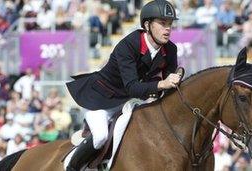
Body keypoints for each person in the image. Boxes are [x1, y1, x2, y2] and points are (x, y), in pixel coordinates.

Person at [66, 0, 180, 170]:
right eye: (163, 23)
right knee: (100, 137)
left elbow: (169, 84)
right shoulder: (128, 45)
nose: (168, 28)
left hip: (128, 101)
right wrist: (163, 83)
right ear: (147, 25)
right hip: (101, 99)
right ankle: (72, 167)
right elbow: (133, 87)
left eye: (170, 24)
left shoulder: (170, 49)